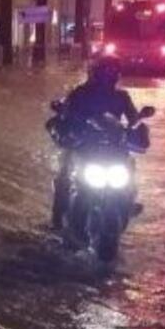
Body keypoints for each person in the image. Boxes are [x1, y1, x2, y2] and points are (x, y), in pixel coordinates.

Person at [50, 56, 139, 228]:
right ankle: (58, 217)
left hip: (113, 149)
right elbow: (66, 116)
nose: (108, 76)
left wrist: (136, 130)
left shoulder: (122, 96)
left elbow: (133, 119)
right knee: (65, 175)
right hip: (84, 146)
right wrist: (67, 126)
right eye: (104, 71)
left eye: (112, 72)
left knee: (129, 170)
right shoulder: (79, 94)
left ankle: (128, 200)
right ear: (94, 73)